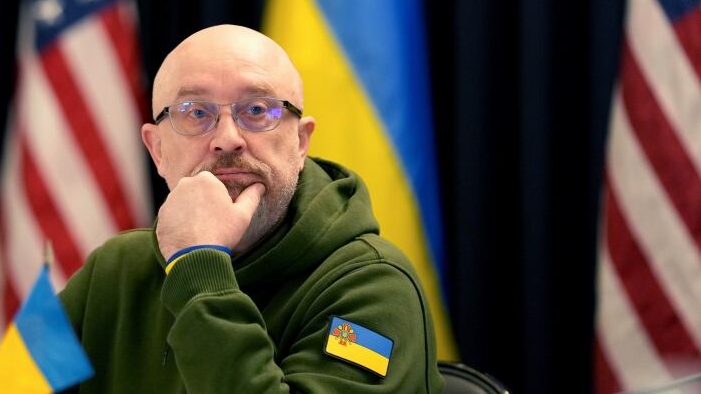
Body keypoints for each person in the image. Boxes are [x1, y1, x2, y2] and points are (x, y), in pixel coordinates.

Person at [60, 24, 446, 393]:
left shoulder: (375, 287)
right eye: (196, 112)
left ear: (299, 142)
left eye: (257, 110)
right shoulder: (111, 269)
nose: (227, 140)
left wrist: (197, 266)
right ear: (158, 150)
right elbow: (9, 382)